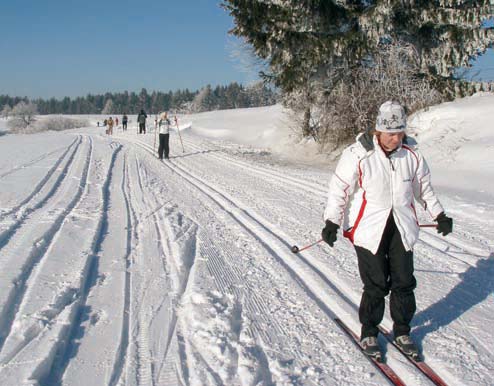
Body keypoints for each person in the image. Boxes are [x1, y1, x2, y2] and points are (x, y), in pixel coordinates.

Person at [322, 100, 453, 361]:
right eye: (391, 133)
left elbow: (423, 189)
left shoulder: (412, 155)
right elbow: (339, 190)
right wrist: (331, 222)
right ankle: (370, 332)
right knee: (376, 284)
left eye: (400, 133)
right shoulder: (358, 154)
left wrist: (439, 214)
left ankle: (402, 332)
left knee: (404, 282)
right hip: (368, 230)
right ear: (378, 131)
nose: (396, 139)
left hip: (401, 227)